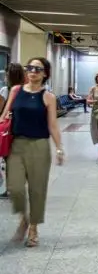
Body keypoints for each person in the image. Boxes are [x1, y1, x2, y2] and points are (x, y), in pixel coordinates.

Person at [1, 57, 64, 247]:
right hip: (17, 145)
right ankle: (24, 217)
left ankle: (33, 227)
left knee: (37, 190)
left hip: (39, 145)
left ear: (45, 73)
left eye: (38, 69)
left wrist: (59, 147)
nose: (33, 71)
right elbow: (4, 115)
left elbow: (52, 125)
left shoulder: (48, 97)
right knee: (15, 188)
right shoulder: (16, 90)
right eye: (30, 68)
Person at [0, 63, 26, 199]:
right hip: (22, 129)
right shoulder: (26, 89)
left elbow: (1, 111)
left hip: (7, 129)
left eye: (6, 74)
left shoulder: (6, 90)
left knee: (7, 157)